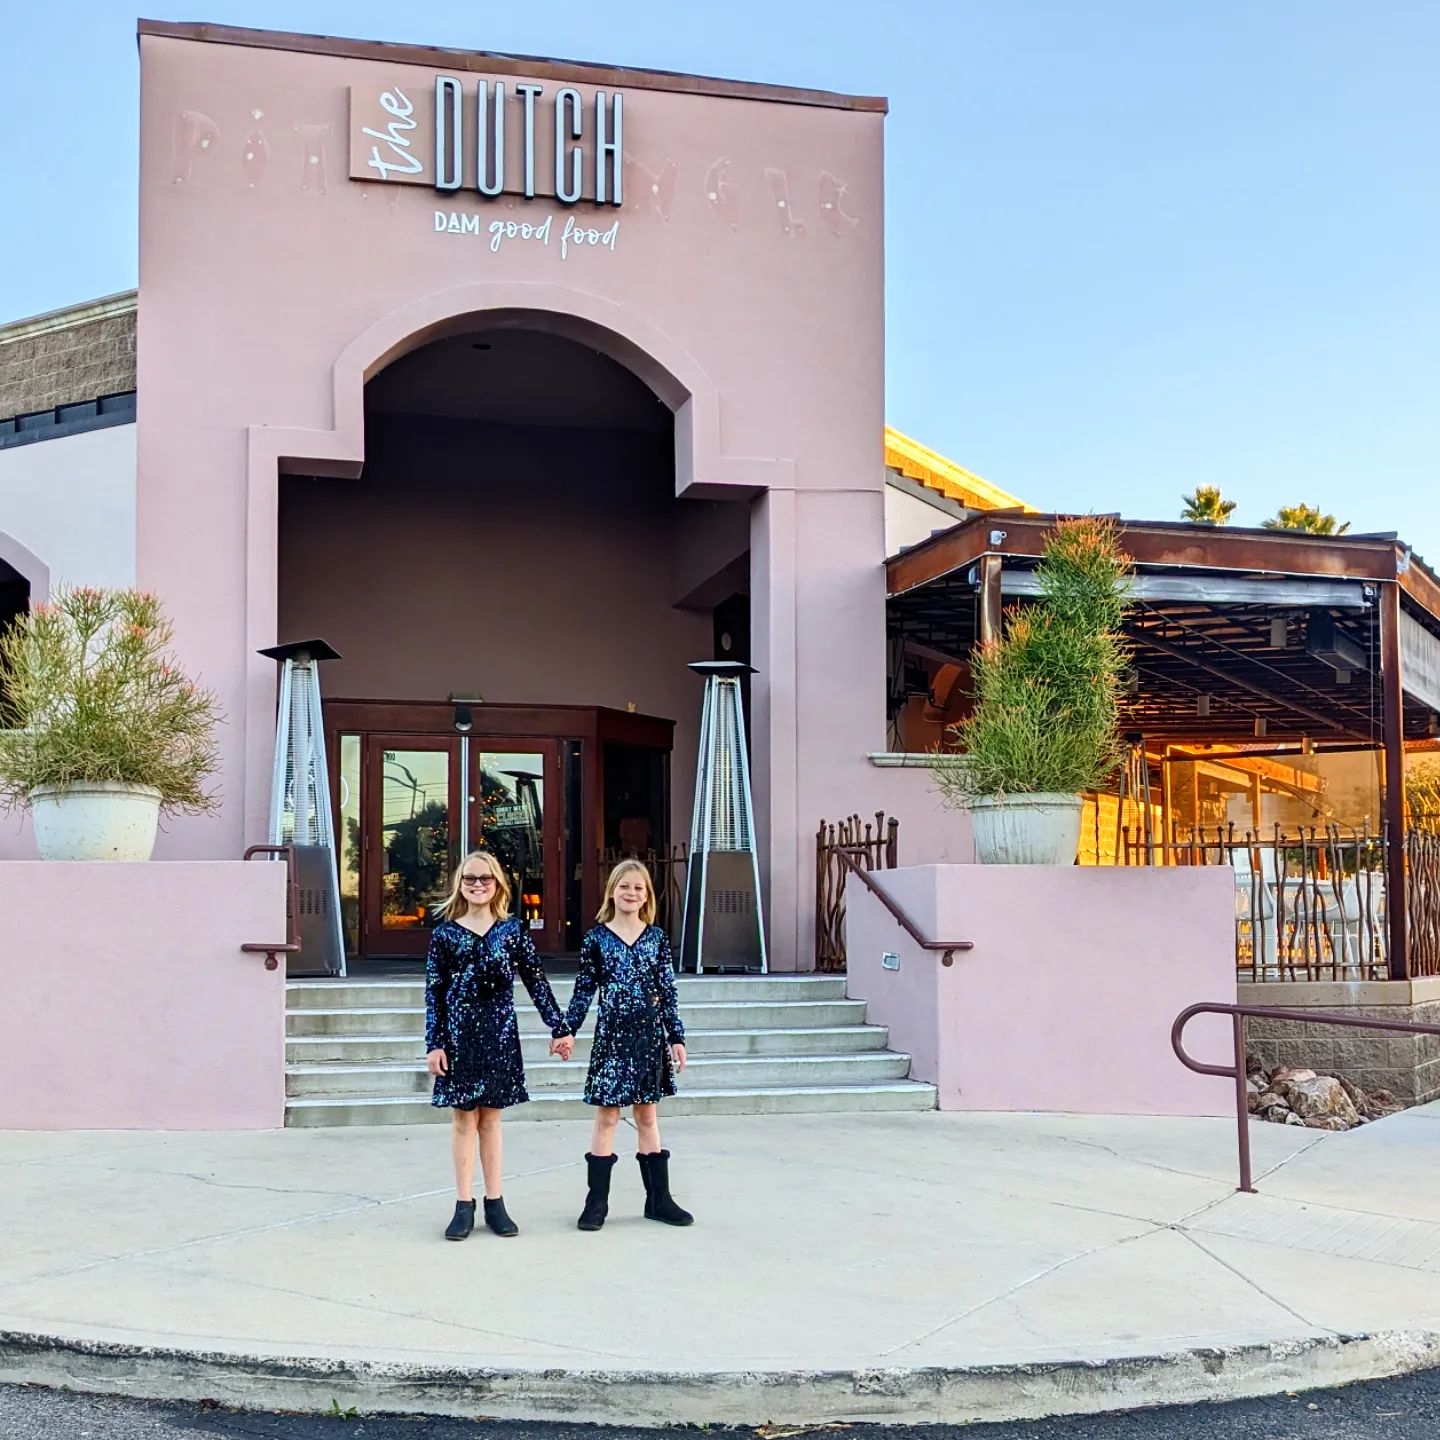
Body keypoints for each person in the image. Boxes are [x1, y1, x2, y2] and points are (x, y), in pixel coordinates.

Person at [424, 849, 572, 1241]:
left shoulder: (513, 932)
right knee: (463, 1119)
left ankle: (495, 1202)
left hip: (500, 1036)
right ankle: (463, 1204)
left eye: (485, 878)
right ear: (460, 884)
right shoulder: (444, 936)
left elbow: (536, 982)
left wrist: (559, 1028)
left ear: (498, 884)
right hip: (459, 1039)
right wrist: (434, 1043)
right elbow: (434, 994)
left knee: (490, 1119)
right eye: (470, 878)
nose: (478, 884)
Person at [559, 859, 693, 1231]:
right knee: (607, 1117)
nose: (631, 893)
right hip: (612, 1038)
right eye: (624, 886)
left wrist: (676, 1036)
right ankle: (596, 1203)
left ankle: (659, 1199)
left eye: (638, 888)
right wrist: (567, 1030)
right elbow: (583, 992)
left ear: (646, 896)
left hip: (648, 1037)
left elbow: (667, 992)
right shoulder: (596, 939)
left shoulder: (656, 939)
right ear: (612, 892)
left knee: (647, 1115)